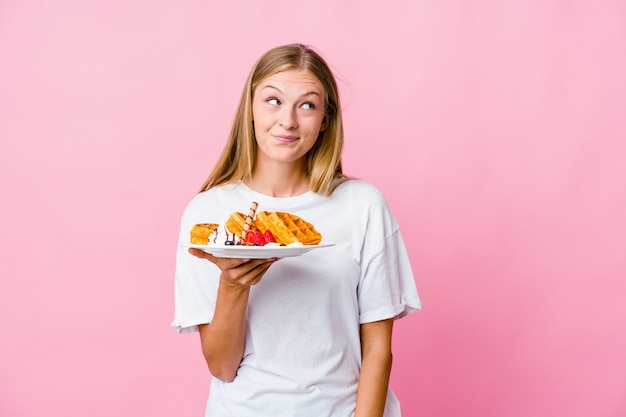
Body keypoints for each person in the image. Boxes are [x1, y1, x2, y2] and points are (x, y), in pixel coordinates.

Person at [171, 43, 421, 417]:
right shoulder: (208, 214)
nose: (288, 120)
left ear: (324, 119)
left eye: (307, 105)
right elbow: (222, 367)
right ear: (250, 109)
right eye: (273, 100)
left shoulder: (362, 204)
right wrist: (234, 285)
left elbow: (377, 349)